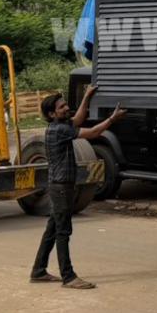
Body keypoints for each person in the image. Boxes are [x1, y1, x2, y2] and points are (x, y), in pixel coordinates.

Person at [30, 86, 124, 289]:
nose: (66, 108)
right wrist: (112, 119)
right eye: (62, 107)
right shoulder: (61, 130)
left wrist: (87, 97)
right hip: (62, 187)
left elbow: (79, 120)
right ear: (52, 113)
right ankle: (68, 277)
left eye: (65, 105)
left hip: (58, 186)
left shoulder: (59, 126)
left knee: (53, 230)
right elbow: (93, 132)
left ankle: (38, 271)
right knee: (63, 231)